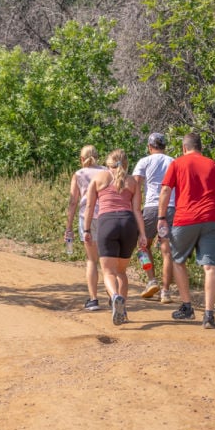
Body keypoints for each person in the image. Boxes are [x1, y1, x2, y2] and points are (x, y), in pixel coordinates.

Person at [158, 132, 215, 329]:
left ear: (184, 147)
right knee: (210, 266)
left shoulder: (178, 163)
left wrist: (161, 217)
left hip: (185, 218)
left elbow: (165, 190)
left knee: (178, 260)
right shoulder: (213, 165)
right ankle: (209, 315)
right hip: (211, 219)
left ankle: (187, 307)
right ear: (201, 147)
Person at [84, 149, 147, 326]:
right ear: (125, 164)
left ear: (108, 163)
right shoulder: (132, 182)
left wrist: (87, 229)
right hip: (128, 225)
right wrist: (142, 234)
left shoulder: (99, 178)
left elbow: (89, 206)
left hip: (107, 223)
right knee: (121, 271)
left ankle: (115, 297)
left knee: (108, 272)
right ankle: (123, 309)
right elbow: (136, 210)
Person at [132, 132, 175, 303]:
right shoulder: (173, 161)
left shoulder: (144, 161)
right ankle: (165, 291)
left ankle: (151, 280)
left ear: (150, 147)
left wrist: (134, 208)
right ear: (165, 147)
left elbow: (135, 186)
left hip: (151, 208)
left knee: (142, 246)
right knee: (167, 251)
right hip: (171, 208)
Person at [65, 145, 105, 311]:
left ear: (82, 159)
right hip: (105, 216)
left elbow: (73, 201)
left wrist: (68, 226)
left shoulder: (79, 174)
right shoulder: (106, 172)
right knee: (107, 259)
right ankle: (113, 295)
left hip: (86, 218)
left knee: (91, 260)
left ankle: (94, 299)